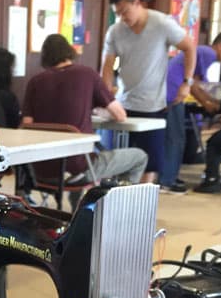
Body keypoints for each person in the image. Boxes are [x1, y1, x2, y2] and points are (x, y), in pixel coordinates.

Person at [22, 34, 148, 208]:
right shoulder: (87, 74)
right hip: (77, 169)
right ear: (69, 51)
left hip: (40, 170)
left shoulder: (34, 82)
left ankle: (79, 208)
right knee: (139, 157)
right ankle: (119, 208)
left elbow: (27, 125)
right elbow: (120, 115)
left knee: (79, 154)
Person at [101, 0, 197, 183]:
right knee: (116, 157)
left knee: (150, 161)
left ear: (137, 3)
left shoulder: (162, 24)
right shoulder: (115, 31)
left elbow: (189, 47)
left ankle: (142, 204)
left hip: (152, 105)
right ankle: (115, 202)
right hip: (123, 105)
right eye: (118, 14)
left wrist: (186, 82)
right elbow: (107, 66)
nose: (123, 18)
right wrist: (106, 96)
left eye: (125, 12)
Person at [160, 31, 221, 194]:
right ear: (220, 45)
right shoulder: (208, 53)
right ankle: (166, 180)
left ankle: (169, 176)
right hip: (173, 93)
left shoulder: (203, 52)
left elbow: (195, 83)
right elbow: (192, 86)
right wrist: (207, 104)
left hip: (172, 92)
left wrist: (211, 100)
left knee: (176, 137)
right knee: (175, 138)